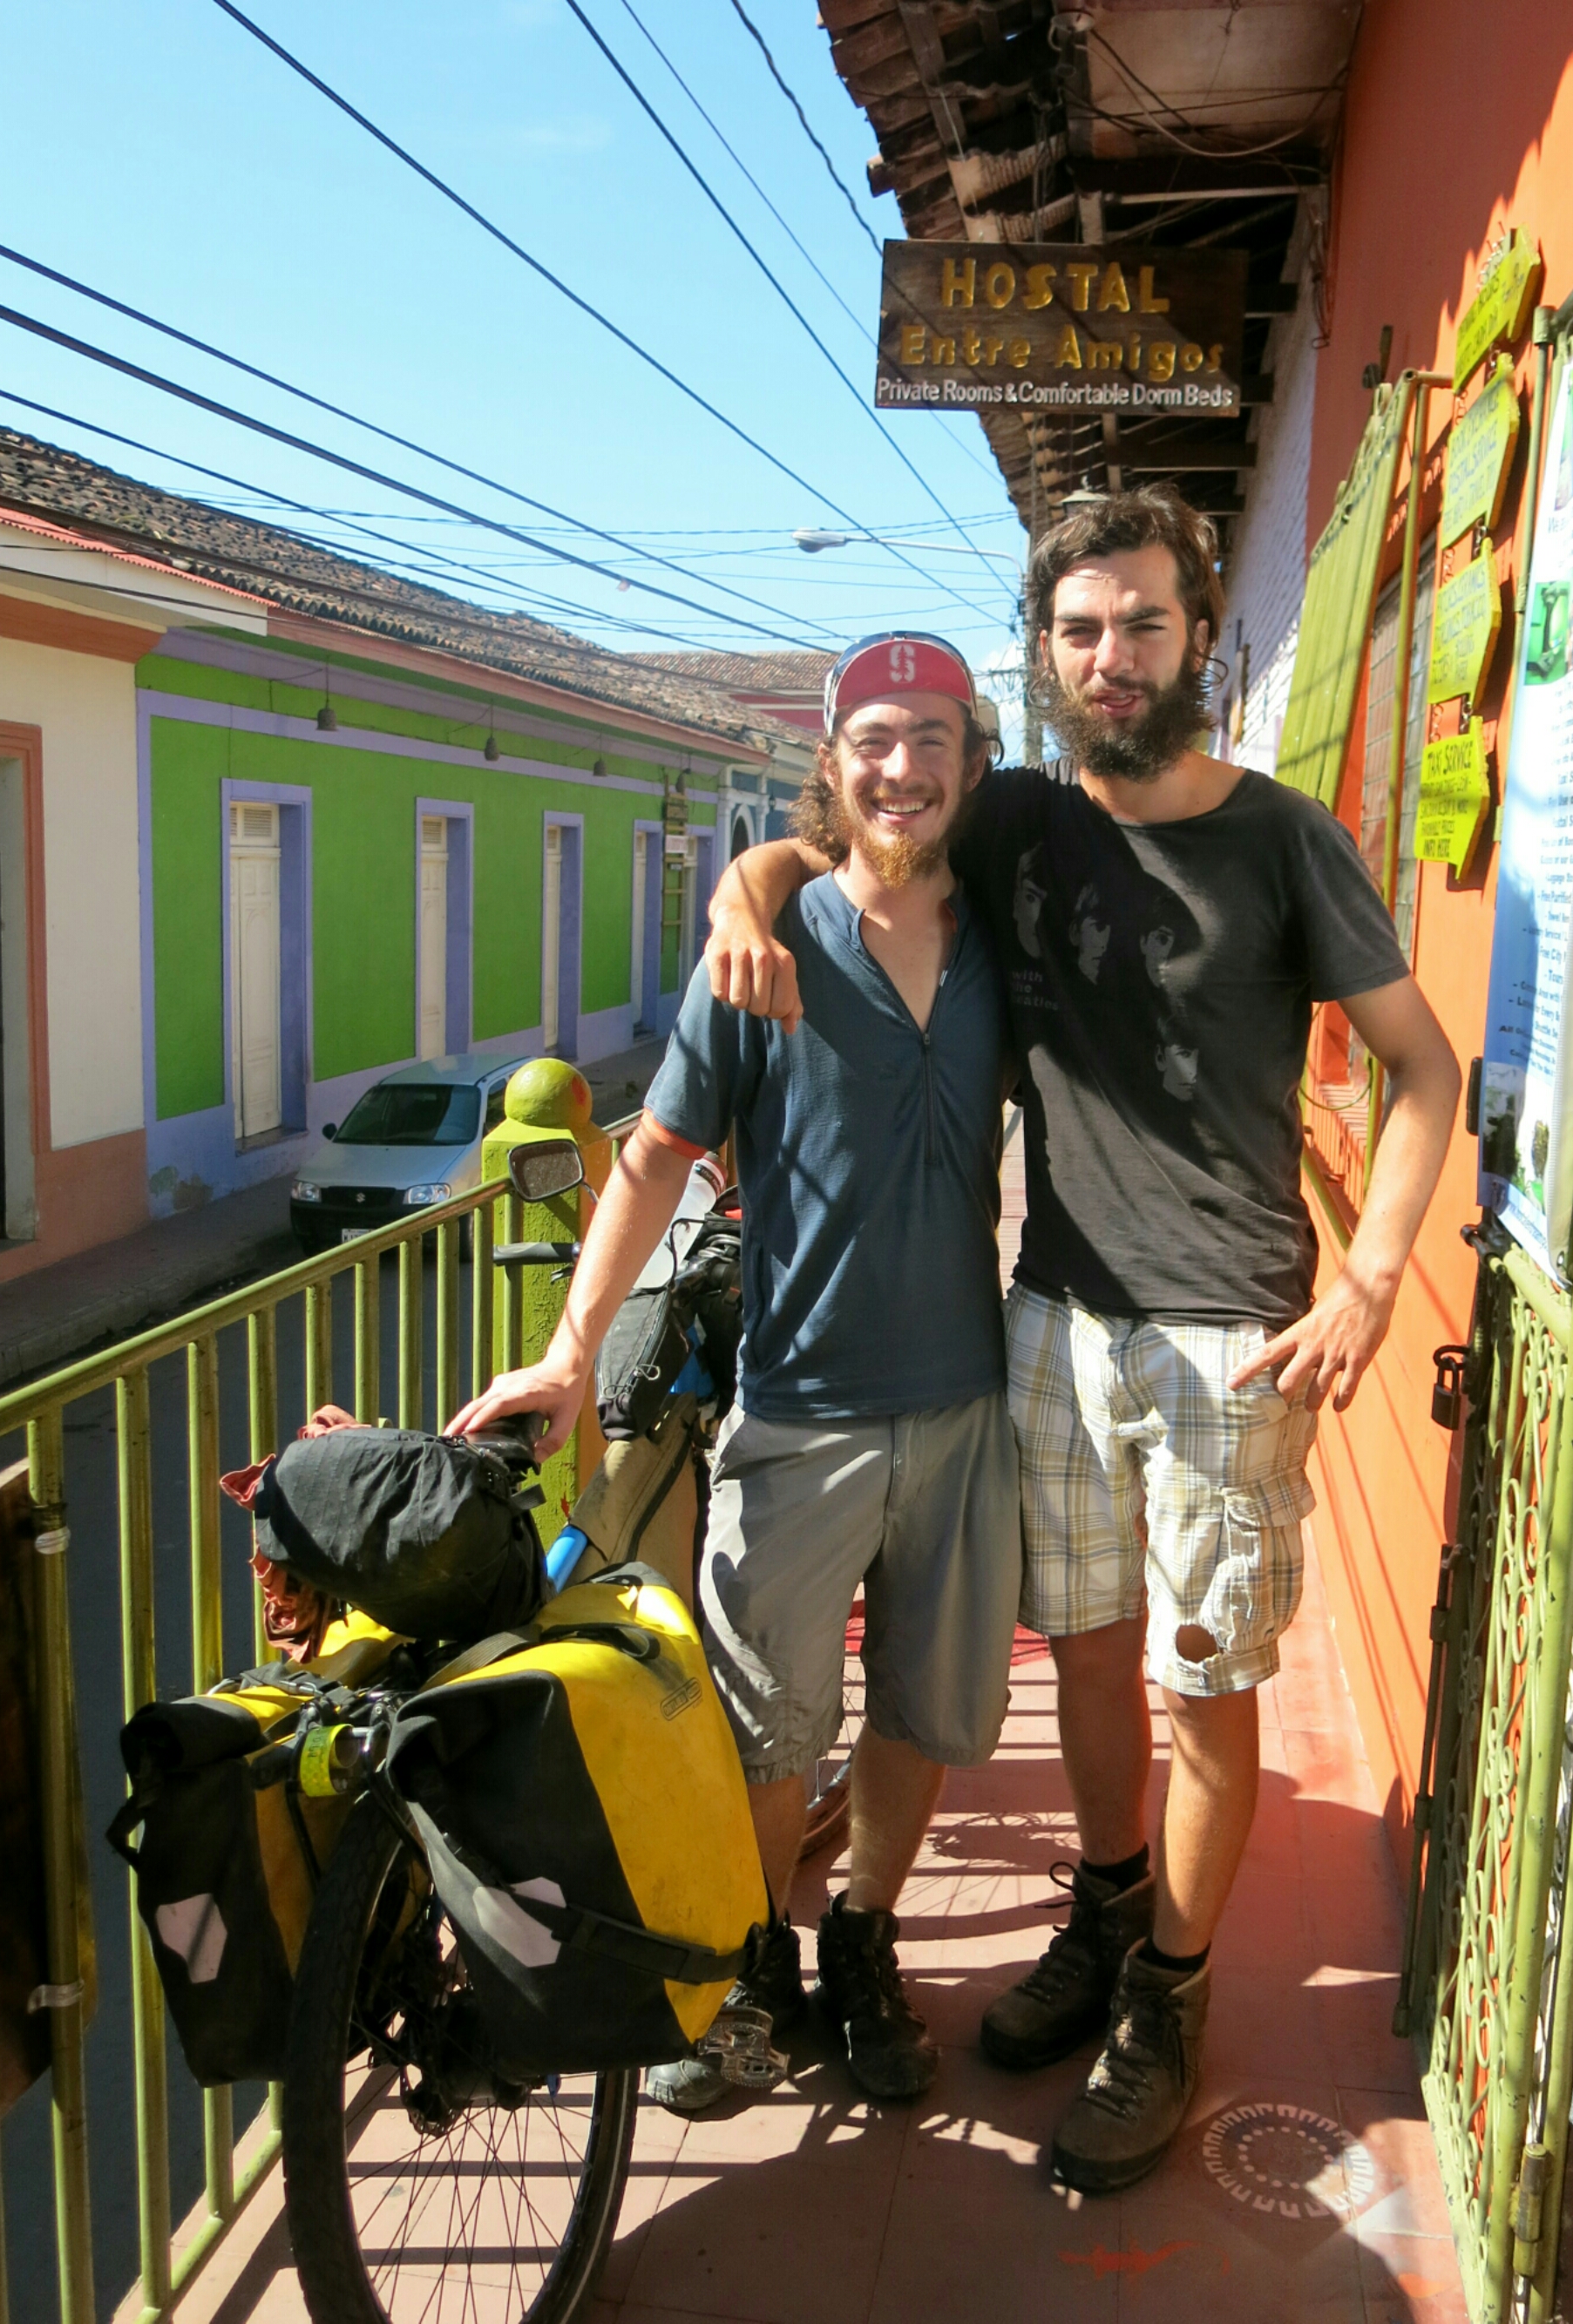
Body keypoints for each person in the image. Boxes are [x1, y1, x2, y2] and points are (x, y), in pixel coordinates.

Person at [703, 486, 1461, 2191]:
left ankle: (1171, 1999)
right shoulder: (1020, 818)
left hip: (1227, 1340)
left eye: (1142, 624)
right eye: (1080, 630)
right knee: (1096, 1660)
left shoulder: (1282, 839)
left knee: (1204, 1684)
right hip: (1050, 1315)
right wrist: (744, 895)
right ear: (1043, 657)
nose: (1112, 657)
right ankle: (1111, 1916)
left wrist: (1367, 1278)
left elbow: (1422, 1066)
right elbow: (846, 836)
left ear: (1201, 638)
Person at [451, 631, 1021, 2112]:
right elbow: (654, 1159)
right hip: (797, 1410)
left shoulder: (1000, 940)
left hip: (965, 1403)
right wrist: (572, 1349)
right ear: (832, 765)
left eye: (933, 738)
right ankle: (759, 1963)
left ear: (973, 762)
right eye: (874, 740)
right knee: (771, 1726)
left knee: (922, 1711)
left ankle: (864, 1939)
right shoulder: (761, 957)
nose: (903, 768)